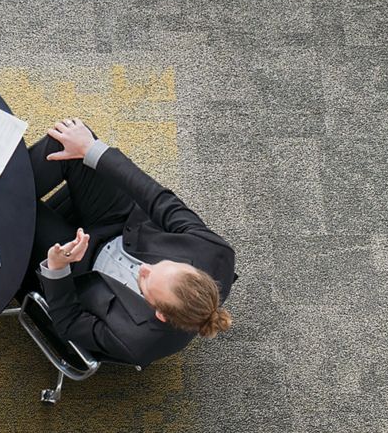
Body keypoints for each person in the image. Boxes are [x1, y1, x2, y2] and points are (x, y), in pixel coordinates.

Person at [25, 117, 235, 368]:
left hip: (76, 266)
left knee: (19, 213)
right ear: (193, 269)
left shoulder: (135, 341)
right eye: (161, 264)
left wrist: (57, 267)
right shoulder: (215, 252)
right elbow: (158, 200)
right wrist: (92, 149)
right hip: (119, 223)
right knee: (67, 143)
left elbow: (69, 321)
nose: (144, 268)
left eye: (146, 281)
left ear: (160, 313)